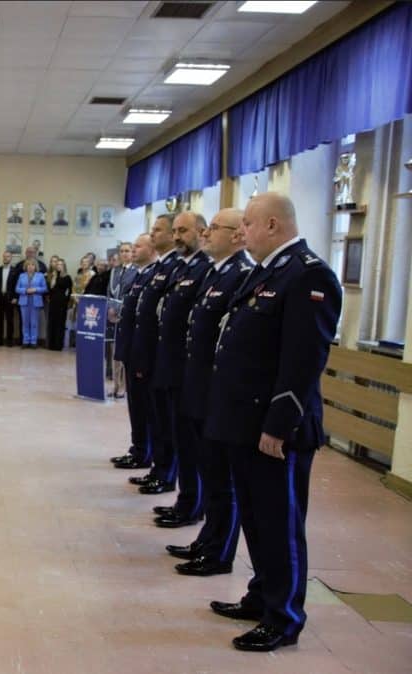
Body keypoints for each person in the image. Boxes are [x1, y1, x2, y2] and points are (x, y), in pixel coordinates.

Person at [206, 193, 341, 652]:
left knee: (280, 525)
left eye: (247, 223)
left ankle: (284, 618)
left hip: (275, 429)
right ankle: (262, 596)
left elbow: (303, 361)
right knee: (257, 518)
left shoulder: (308, 275)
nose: (241, 231)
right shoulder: (267, 272)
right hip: (245, 422)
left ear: (271, 225)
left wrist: (278, 426)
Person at [170, 208, 252, 576]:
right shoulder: (217, 273)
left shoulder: (241, 274)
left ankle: (219, 552)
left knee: (221, 479)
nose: (206, 234)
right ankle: (207, 540)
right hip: (199, 386)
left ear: (236, 235)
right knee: (209, 471)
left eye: (214, 228)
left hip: (216, 391)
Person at [150, 212, 212, 529]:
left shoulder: (205, 269)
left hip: (189, 371)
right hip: (173, 368)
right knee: (181, 440)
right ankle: (186, 501)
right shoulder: (184, 268)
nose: (177, 237)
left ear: (202, 231)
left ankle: (192, 504)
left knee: (191, 445)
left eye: (183, 231)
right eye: (174, 231)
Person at [127, 215, 183, 495]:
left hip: (162, 360)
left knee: (163, 422)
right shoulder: (161, 268)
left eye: (158, 230)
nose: (152, 234)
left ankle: (165, 472)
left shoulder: (175, 268)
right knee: (154, 416)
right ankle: (157, 467)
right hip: (149, 355)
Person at [110, 235, 158, 469]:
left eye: (138, 246)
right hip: (131, 349)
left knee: (144, 408)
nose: (133, 250)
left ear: (152, 249)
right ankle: (138, 449)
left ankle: (144, 452)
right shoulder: (140, 275)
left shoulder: (155, 275)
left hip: (142, 352)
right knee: (136, 406)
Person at [107, 242, 137, 399]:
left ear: (133, 253)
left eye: (127, 251)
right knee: (115, 351)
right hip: (114, 315)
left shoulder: (136, 270)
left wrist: (122, 310)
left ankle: (124, 387)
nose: (124, 254)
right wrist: (111, 309)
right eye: (122, 251)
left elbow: (132, 293)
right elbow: (110, 292)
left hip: (127, 314)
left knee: (125, 351)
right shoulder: (115, 271)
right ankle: (115, 384)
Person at [15, 259, 46, 348]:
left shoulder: (40, 275)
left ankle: (33, 341)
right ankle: (25, 341)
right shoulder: (21, 275)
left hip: (35, 301)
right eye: (28, 265)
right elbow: (17, 289)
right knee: (25, 322)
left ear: (35, 266)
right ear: (26, 266)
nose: (30, 267)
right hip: (24, 301)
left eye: (32, 265)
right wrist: (25, 290)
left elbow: (45, 288)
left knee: (34, 322)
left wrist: (35, 289)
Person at [0, 250, 19, 347]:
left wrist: (16, 297)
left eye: (8, 256)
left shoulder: (15, 271)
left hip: (10, 298)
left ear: (11, 258)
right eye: (4, 256)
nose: (6, 258)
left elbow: (17, 285)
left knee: (10, 320)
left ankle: (9, 340)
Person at [46, 259, 71, 350]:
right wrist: (53, 278)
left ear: (64, 266)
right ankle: (51, 344)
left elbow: (69, 291)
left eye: (61, 264)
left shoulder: (67, 277)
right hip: (53, 303)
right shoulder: (53, 276)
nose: (59, 266)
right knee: (52, 323)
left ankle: (58, 344)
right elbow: (51, 289)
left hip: (62, 304)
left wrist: (66, 301)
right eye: (58, 264)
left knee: (60, 324)